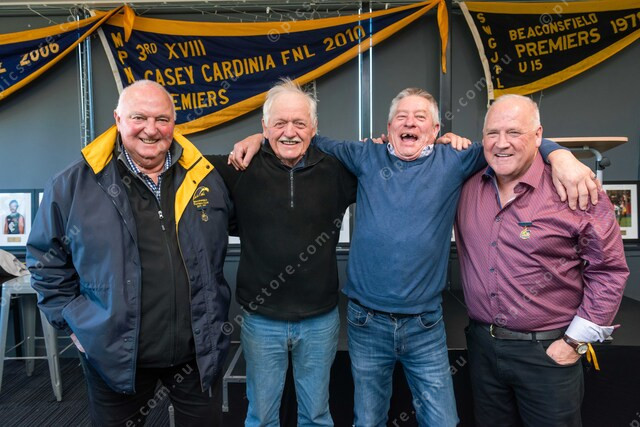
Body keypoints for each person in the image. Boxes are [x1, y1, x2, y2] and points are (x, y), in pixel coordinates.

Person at [231, 87, 598, 426]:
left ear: (436, 130)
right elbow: (301, 137)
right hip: (365, 321)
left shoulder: (455, 158)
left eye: (420, 117)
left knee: (442, 422)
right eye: (401, 117)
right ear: (388, 128)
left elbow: (511, 144)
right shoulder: (365, 155)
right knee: (368, 420)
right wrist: (256, 137)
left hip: (425, 324)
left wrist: (560, 155)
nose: (409, 123)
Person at [26, 80, 232, 426]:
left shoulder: (206, 178)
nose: (151, 129)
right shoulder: (73, 184)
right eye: (139, 118)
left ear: (174, 123)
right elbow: (45, 262)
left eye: (162, 119)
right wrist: (76, 328)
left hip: (196, 355)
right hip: (115, 357)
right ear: (118, 119)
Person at [455, 94, 629, 426]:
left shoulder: (577, 189)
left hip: (548, 354)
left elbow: (609, 271)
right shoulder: (466, 184)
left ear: (538, 136)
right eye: (492, 133)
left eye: (514, 132)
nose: (501, 143)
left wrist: (573, 343)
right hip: (482, 351)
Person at [208, 78, 357, 426]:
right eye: (279, 123)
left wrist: (444, 142)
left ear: (314, 128)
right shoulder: (238, 166)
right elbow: (175, 157)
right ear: (264, 127)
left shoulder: (338, 169)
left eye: (299, 123)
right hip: (261, 322)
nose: (290, 132)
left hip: (320, 321)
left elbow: (391, 159)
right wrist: (255, 141)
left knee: (316, 416)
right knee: (261, 418)